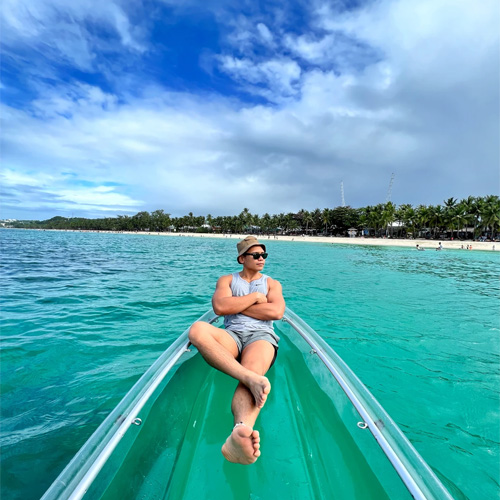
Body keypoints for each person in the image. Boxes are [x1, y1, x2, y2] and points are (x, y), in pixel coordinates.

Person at [188, 236, 285, 465]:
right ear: (242, 258)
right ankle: (249, 378)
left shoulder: (272, 284)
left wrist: (238, 306)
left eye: (264, 255)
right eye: (256, 255)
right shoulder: (227, 280)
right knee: (198, 330)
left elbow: (276, 312)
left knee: (253, 366)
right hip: (232, 335)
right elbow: (220, 307)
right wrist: (254, 299)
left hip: (261, 336)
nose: (261, 259)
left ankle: (240, 431)